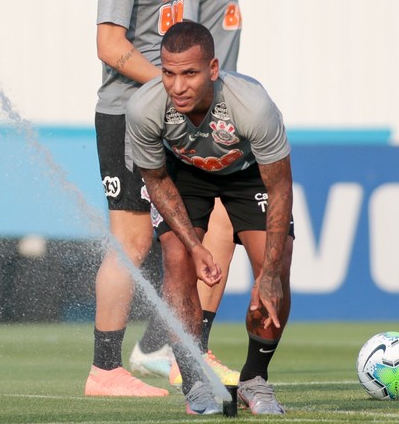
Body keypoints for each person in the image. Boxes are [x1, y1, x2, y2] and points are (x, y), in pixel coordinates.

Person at [125, 20, 293, 415]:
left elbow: (280, 189)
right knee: (177, 259)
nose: (178, 86)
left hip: (247, 174)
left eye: (190, 73)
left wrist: (268, 273)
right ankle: (195, 383)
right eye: (169, 73)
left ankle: (255, 380)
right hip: (184, 174)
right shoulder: (144, 109)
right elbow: (157, 181)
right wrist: (195, 245)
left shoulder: (252, 105)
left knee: (276, 265)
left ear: (213, 69)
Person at [84, 0, 200, 398]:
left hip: (165, 115)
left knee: (192, 228)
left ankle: (173, 351)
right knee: (130, 242)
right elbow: (110, 46)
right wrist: (169, 84)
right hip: (128, 118)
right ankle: (105, 370)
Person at [166, 0, 259, 389]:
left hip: (217, 116)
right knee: (210, 226)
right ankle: (185, 350)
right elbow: (178, 43)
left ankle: (169, 346)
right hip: (197, 120)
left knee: (212, 228)